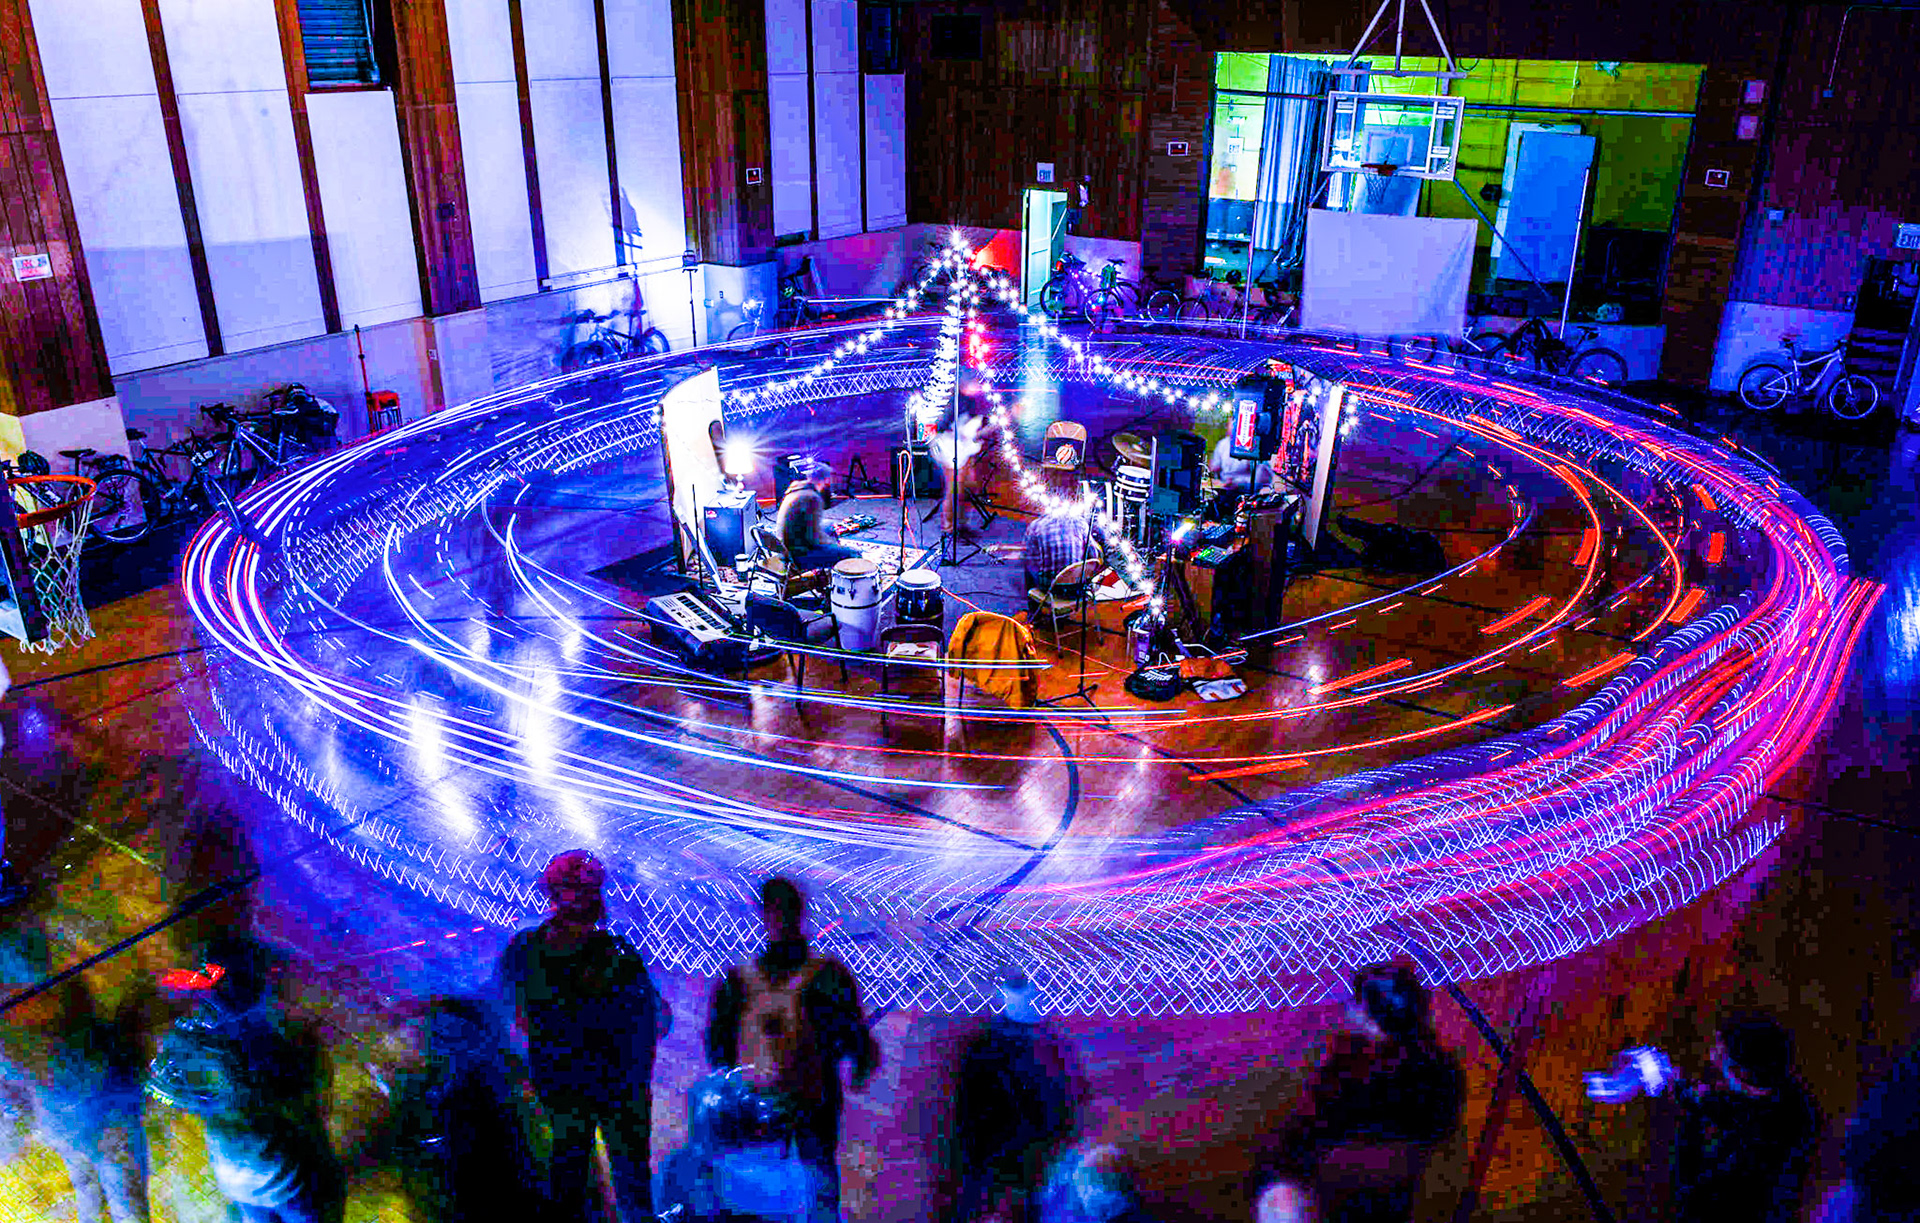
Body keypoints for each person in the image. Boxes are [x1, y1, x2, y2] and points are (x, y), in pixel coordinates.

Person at [496, 850, 671, 1223]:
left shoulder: (527, 950)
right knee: (624, 1186)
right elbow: (654, 1020)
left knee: (572, 1183)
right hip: (612, 1089)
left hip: (568, 1086)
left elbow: (506, 1014)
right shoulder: (617, 953)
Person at [705, 876, 879, 1213]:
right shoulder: (826, 975)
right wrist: (857, 1061)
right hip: (807, 1103)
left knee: (766, 1191)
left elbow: (718, 1046)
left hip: (766, 1103)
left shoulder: (741, 979)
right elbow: (856, 1038)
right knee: (816, 1188)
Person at [146, 934, 340, 1223]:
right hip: (286, 1172)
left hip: (235, 1171)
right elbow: (308, 1096)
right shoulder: (261, 1045)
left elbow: (163, 1083)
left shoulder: (188, 1036)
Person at [1252, 964, 1464, 1223]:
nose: (1348, 1008)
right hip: (1393, 1195)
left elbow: (1307, 1135)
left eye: (1355, 1002)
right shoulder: (1443, 1070)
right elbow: (1440, 1130)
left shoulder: (1348, 1070)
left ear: (1369, 1018)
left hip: (1333, 1188)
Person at [0, 921, 149, 1223]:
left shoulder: (9, 1023)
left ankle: (91, 1217)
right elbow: (113, 1048)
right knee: (126, 1198)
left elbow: (12, 1092)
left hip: (61, 1122)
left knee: (85, 1182)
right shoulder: (69, 994)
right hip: (109, 1116)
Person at [952, 965, 1080, 1223]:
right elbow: (1060, 1103)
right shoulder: (1048, 1045)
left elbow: (969, 1109)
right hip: (1022, 1157)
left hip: (1003, 1157)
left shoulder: (986, 1045)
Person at [1666, 1013, 1819, 1223]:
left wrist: (1690, 1118)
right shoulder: (1790, 1100)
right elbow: (1740, 1110)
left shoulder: (1756, 1144)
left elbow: (1698, 1194)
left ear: (1743, 1072)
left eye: (1720, 1055)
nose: (1711, 1058)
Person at [775, 460, 861, 573]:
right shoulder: (812, 498)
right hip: (798, 555)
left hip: (785, 549)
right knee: (853, 553)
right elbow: (813, 538)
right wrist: (833, 545)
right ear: (826, 480)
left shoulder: (796, 489)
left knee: (829, 526)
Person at [1023, 498, 1101, 595]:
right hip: (1078, 586)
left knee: (1026, 563)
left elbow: (1031, 560)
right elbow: (1094, 554)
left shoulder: (1035, 526)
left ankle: (1034, 606)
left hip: (1050, 588)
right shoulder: (1080, 523)